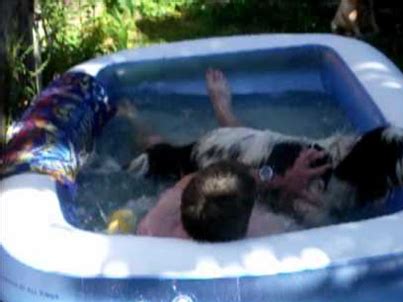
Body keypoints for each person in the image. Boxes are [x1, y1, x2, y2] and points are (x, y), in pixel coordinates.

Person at [135, 68, 331, 241]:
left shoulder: (153, 227)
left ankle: (132, 117)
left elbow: (205, 178)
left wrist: (279, 179)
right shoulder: (270, 229)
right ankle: (225, 115)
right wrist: (286, 198)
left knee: (158, 152)